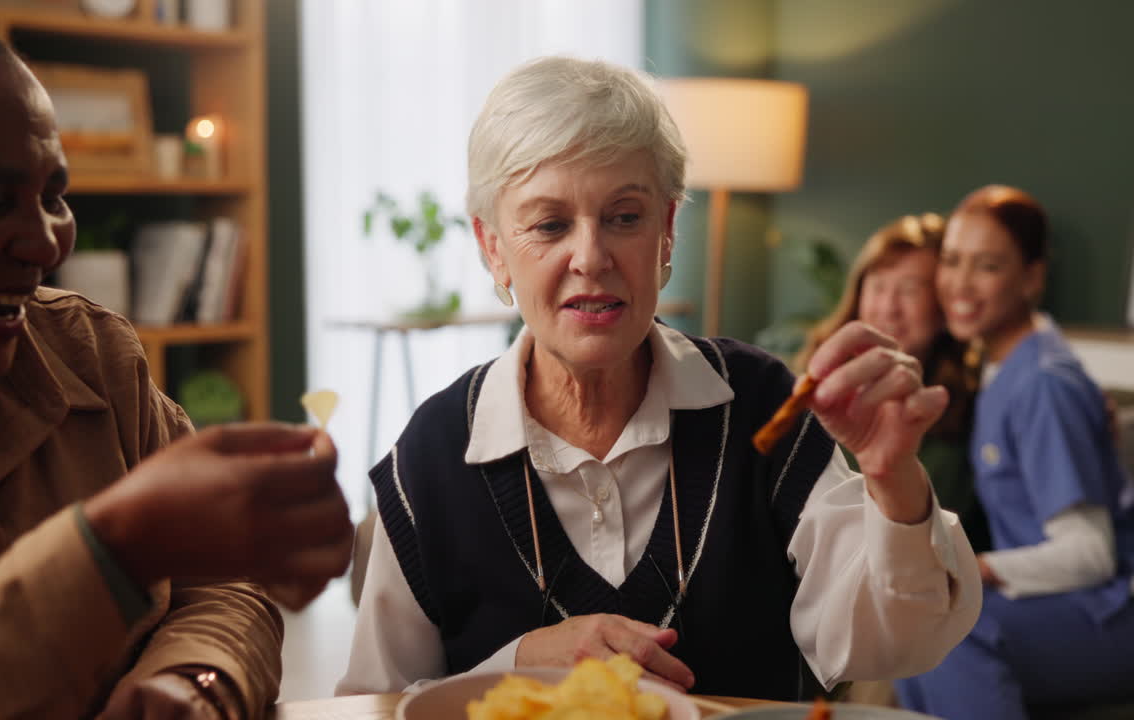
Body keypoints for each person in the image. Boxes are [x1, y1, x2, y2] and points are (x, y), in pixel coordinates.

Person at [337, 56, 981, 701]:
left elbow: (894, 642)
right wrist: (520, 662)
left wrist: (892, 477)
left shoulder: (757, 404)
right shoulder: (433, 451)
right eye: (550, 224)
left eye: (625, 217)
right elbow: (375, 703)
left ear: (668, 230)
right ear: (492, 247)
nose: (590, 257)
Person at [0, 5, 354, 718]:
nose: (46, 244)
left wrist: (193, 681)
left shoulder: (92, 355)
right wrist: (115, 545)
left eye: (54, 196)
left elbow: (227, 589)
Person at [894, 185, 1134, 718]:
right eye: (953, 261)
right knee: (912, 630)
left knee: (951, 635)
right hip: (1061, 606)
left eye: (986, 266)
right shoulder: (997, 368)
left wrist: (968, 567)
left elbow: (1090, 553)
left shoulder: (1044, 385)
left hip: (1128, 614)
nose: (959, 283)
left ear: (1032, 278)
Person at [796, 214, 989, 551]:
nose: (888, 308)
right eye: (878, 286)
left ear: (943, 306)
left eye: (910, 291)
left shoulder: (970, 406)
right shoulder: (808, 385)